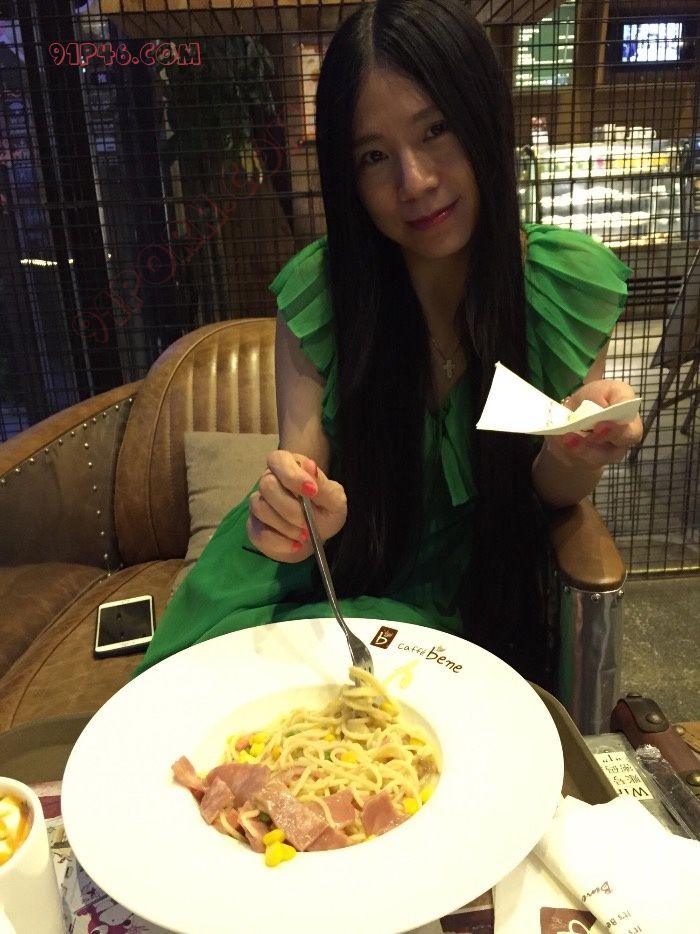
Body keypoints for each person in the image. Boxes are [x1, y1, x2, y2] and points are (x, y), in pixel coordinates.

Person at [134, 0, 642, 687]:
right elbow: (299, 471)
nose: (415, 182)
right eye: (374, 156)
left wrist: (572, 449)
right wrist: (294, 512)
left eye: (436, 130)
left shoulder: (563, 287)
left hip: (473, 603)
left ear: (484, 118)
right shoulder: (322, 291)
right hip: (320, 588)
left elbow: (554, 493)